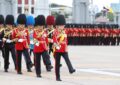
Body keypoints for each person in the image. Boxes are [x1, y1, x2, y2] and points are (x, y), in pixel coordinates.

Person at [53, 15, 75, 81]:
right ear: (57, 26)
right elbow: (54, 40)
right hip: (57, 50)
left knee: (67, 59)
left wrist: (66, 48)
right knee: (57, 64)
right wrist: (57, 46)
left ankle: (71, 69)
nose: (62, 27)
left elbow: (66, 40)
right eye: (61, 25)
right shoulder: (55, 32)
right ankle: (57, 77)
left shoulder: (64, 32)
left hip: (64, 49)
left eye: (63, 25)